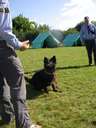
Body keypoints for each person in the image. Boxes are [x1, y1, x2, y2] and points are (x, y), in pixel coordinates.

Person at [0, 0, 41, 128]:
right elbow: (2, 29)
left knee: (1, 83)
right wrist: (18, 44)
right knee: (18, 81)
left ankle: (7, 116)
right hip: (2, 48)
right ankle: (24, 125)